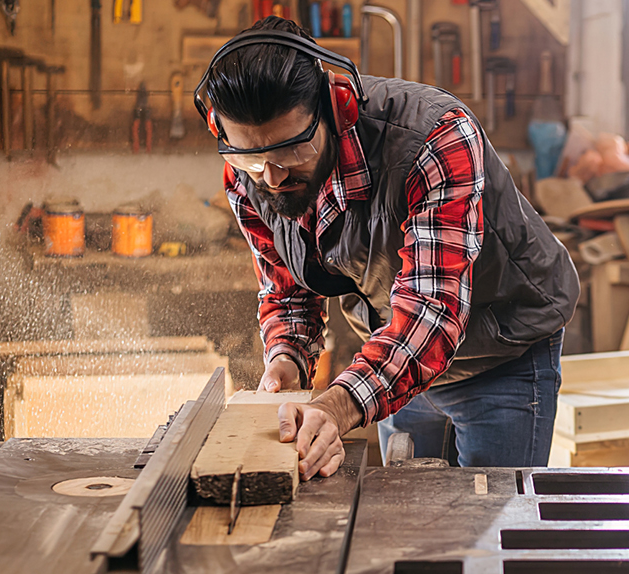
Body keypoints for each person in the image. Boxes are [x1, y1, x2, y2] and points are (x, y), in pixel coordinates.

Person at [197, 17, 579, 480]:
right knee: (407, 519)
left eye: (292, 152)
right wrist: (287, 359)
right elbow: (289, 286)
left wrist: (339, 406)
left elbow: (432, 311)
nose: (271, 177)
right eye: (252, 158)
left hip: (500, 352)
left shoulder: (434, 138)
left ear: (335, 109)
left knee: (485, 529)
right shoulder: (247, 169)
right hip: (396, 356)